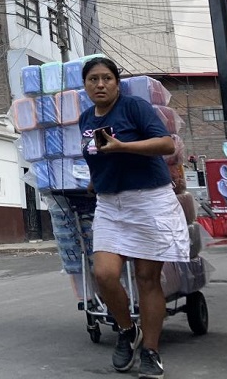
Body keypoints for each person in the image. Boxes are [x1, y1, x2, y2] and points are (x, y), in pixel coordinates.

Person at [79, 58, 189, 379]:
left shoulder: (134, 107)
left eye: (107, 78)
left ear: (117, 83)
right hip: (110, 204)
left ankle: (151, 352)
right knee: (104, 275)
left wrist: (123, 146)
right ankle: (129, 331)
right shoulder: (85, 118)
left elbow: (167, 144)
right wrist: (94, 180)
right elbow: (96, 155)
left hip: (148, 201)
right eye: (93, 79)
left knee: (146, 278)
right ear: (85, 85)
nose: (100, 84)